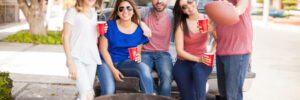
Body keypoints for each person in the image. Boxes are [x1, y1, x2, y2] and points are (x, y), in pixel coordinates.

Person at [96, 0, 154, 95]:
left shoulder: (139, 30)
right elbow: (103, 51)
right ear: (118, 12)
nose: (125, 11)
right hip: (105, 62)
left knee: (144, 69)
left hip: (125, 63)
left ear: (134, 11)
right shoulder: (109, 25)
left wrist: (138, 56)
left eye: (129, 8)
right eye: (121, 9)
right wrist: (113, 70)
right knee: (109, 90)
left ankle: (149, 97)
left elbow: (137, 52)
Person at [172, 0, 216, 100]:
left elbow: (219, 40)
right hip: (183, 62)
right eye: (184, 7)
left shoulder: (206, 19)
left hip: (203, 62)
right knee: (189, 97)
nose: (189, 7)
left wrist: (211, 54)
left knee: (198, 69)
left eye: (190, 1)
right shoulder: (181, 25)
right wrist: (198, 59)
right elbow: (179, 51)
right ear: (182, 11)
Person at [62, 0, 103, 99]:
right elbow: (65, 37)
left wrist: (99, 32)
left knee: (85, 94)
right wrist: (70, 62)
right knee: (87, 93)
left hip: (91, 58)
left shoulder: (94, 12)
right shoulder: (72, 12)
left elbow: (91, 37)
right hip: (76, 57)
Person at [215, 0, 252, 99]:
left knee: (232, 96)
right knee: (223, 95)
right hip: (221, 49)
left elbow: (242, 5)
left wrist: (235, 10)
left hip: (237, 50)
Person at [138, 0, 174, 97]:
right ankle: (152, 95)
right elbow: (129, 15)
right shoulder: (145, 11)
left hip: (163, 53)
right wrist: (142, 24)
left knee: (167, 76)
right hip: (145, 52)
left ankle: (162, 98)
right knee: (144, 74)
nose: (159, 1)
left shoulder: (172, 15)